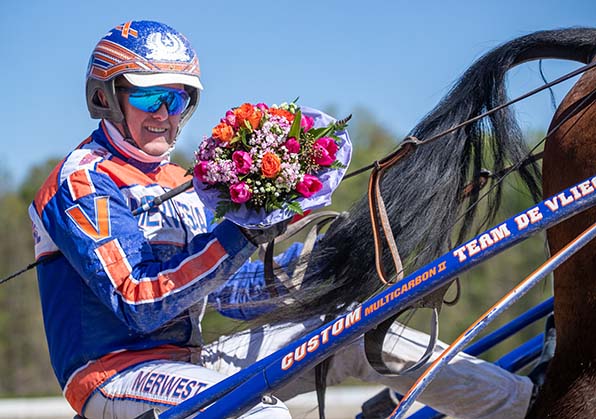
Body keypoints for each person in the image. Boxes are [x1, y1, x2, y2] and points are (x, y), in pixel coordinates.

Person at [29, 20, 535, 419]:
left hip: (191, 363)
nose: (165, 112)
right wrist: (241, 230)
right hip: (114, 378)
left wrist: (331, 263)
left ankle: (528, 405)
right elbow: (138, 304)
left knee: (362, 331)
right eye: (148, 96)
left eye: (179, 97)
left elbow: (224, 293)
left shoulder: (178, 179)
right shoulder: (81, 182)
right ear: (105, 96)